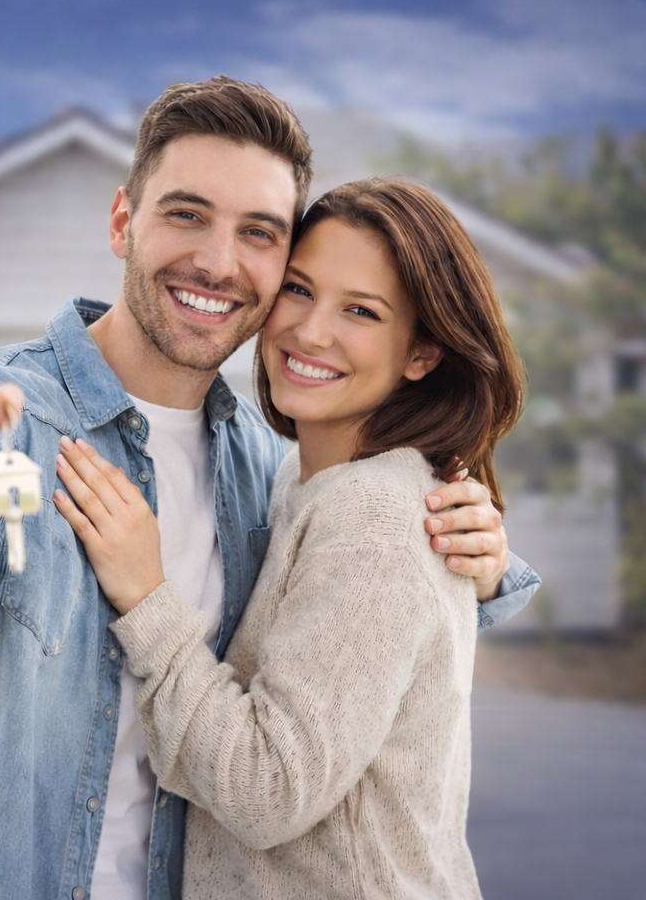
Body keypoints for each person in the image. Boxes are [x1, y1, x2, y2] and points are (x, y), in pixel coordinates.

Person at [0, 77, 541, 900]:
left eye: (258, 234)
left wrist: (478, 558)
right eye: (186, 214)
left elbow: (365, 624)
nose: (218, 263)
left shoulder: (274, 470)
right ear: (124, 222)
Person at [55, 177, 522, 898]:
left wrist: (146, 596)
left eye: (361, 311)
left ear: (422, 353)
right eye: (299, 290)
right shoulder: (302, 480)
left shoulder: (372, 512)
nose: (310, 331)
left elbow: (265, 790)